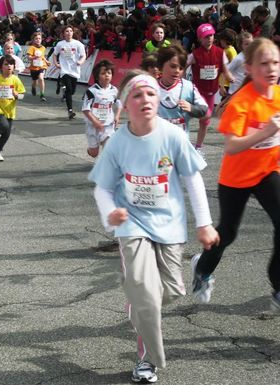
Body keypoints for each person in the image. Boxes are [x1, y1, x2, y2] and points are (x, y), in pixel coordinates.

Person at [88, 70, 219, 384]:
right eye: (136, 95)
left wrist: (205, 224)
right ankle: (147, 362)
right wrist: (111, 214)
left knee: (170, 291)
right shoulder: (118, 143)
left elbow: (192, 179)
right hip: (131, 226)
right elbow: (102, 188)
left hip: (169, 226)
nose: (145, 99)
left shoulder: (172, 135)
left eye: (150, 94)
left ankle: (138, 305)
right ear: (125, 105)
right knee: (147, 295)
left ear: (158, 100)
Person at [191, 38, 280, 313]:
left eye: (276, 62)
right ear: (250, 68)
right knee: (227, 234)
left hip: (267, 172)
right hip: (236, 178)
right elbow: (232, 145)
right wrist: (264, 132)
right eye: (264, 63)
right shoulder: (241, 102)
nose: (271, 68)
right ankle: (202, 269)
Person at [186, 23, 234, 153]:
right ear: (200, 39)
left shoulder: (220, 53)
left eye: (211, 36)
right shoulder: (194, 55)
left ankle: (198, 147)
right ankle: (182, 141)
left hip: (211, 93)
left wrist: (229, 79)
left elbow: (225, 71)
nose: (209, 39)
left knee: (205, 121)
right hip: (196, 93)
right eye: (206, 37)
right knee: (191, 117)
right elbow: (183, 67)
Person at [157, 44, 208, 137]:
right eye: (173, 66)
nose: (177, 71)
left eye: (181, 68)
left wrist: (192, 108)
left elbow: (204, 109)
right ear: (161, 65)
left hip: (180, 146)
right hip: (157, 146)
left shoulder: (188, 87)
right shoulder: (151, 87)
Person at [82, 59, 122, 158]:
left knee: (108, 149)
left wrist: (117, 116)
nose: (107, 75)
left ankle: (106, 167)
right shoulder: (91, 91)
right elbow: (86, 110)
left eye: (109, 73)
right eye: (103, 73)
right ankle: (91, 150)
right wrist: (95, 122)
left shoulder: (114, 90)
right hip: (93, 126)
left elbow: (119, 104)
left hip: (108, 125)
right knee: (94, 154)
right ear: (97, 76)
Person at [53, 25, 86, 120]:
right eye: (67, 31)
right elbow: (55, 55)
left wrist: (80, 61)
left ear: (73, 32)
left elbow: (83, 55)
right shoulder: (60, 44)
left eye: (71, 31)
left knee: (72, 91)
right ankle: (70, 111)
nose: (69, 33)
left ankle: (64, 91)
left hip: (74, 70)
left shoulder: (78, 44)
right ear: (63, 33)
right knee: (68, 89)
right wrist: (56, 64)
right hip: (64, 70)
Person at [27, 31, 50, 102]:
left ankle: (42, 94)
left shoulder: (43, 48)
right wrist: (34, 57)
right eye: (36, 38)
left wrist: (46, 61)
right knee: (35, 81)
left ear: (41, 39)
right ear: (33, 40)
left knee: (41, 78)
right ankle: (33, 87)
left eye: (39, 38)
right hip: (34, 67)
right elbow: (28, 57)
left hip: (41, 66)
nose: (38, 40)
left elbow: (42, 56)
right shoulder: (32, 48)